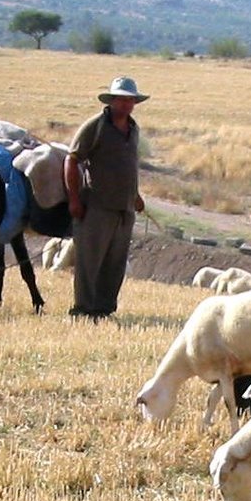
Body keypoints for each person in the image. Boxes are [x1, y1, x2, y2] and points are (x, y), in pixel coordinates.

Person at [64, 75, 148, 319]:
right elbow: (72, 160)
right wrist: (74, 199)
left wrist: (136, 196)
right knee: (90, 261)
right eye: (121, 99)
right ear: (111, 101)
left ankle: (103, 310)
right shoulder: (95, 126)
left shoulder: (133, 129)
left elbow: (128, 165)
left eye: (130, 100)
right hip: (97, 207)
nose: (126, 104)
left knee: (115, 263)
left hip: (124, 209)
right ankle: (83, 309)